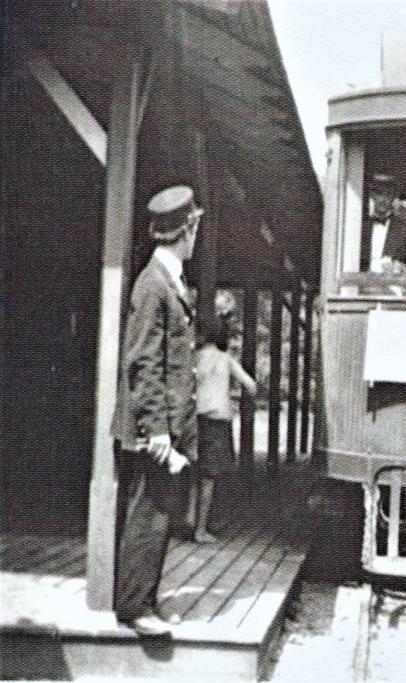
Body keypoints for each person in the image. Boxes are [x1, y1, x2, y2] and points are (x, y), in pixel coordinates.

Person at [111, 185, 203, 636]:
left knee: (160, 512)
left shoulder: (167, 279)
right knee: (148, 513)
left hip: (163, 424)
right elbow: (142, 360)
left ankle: (143, 599)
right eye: (195, 227)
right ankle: (133, 607)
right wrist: (158, 431)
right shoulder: (154, 284)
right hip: (155, 427)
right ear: (189, 230)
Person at [194, 316, 256, 543]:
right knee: (211, 477)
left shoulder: (195, 357)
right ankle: (201, 529)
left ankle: (192, 522)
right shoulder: (225, 359)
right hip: (218, 422)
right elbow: (251, 386)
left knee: (194, 472)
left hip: (196, 419)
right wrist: (230, 396)